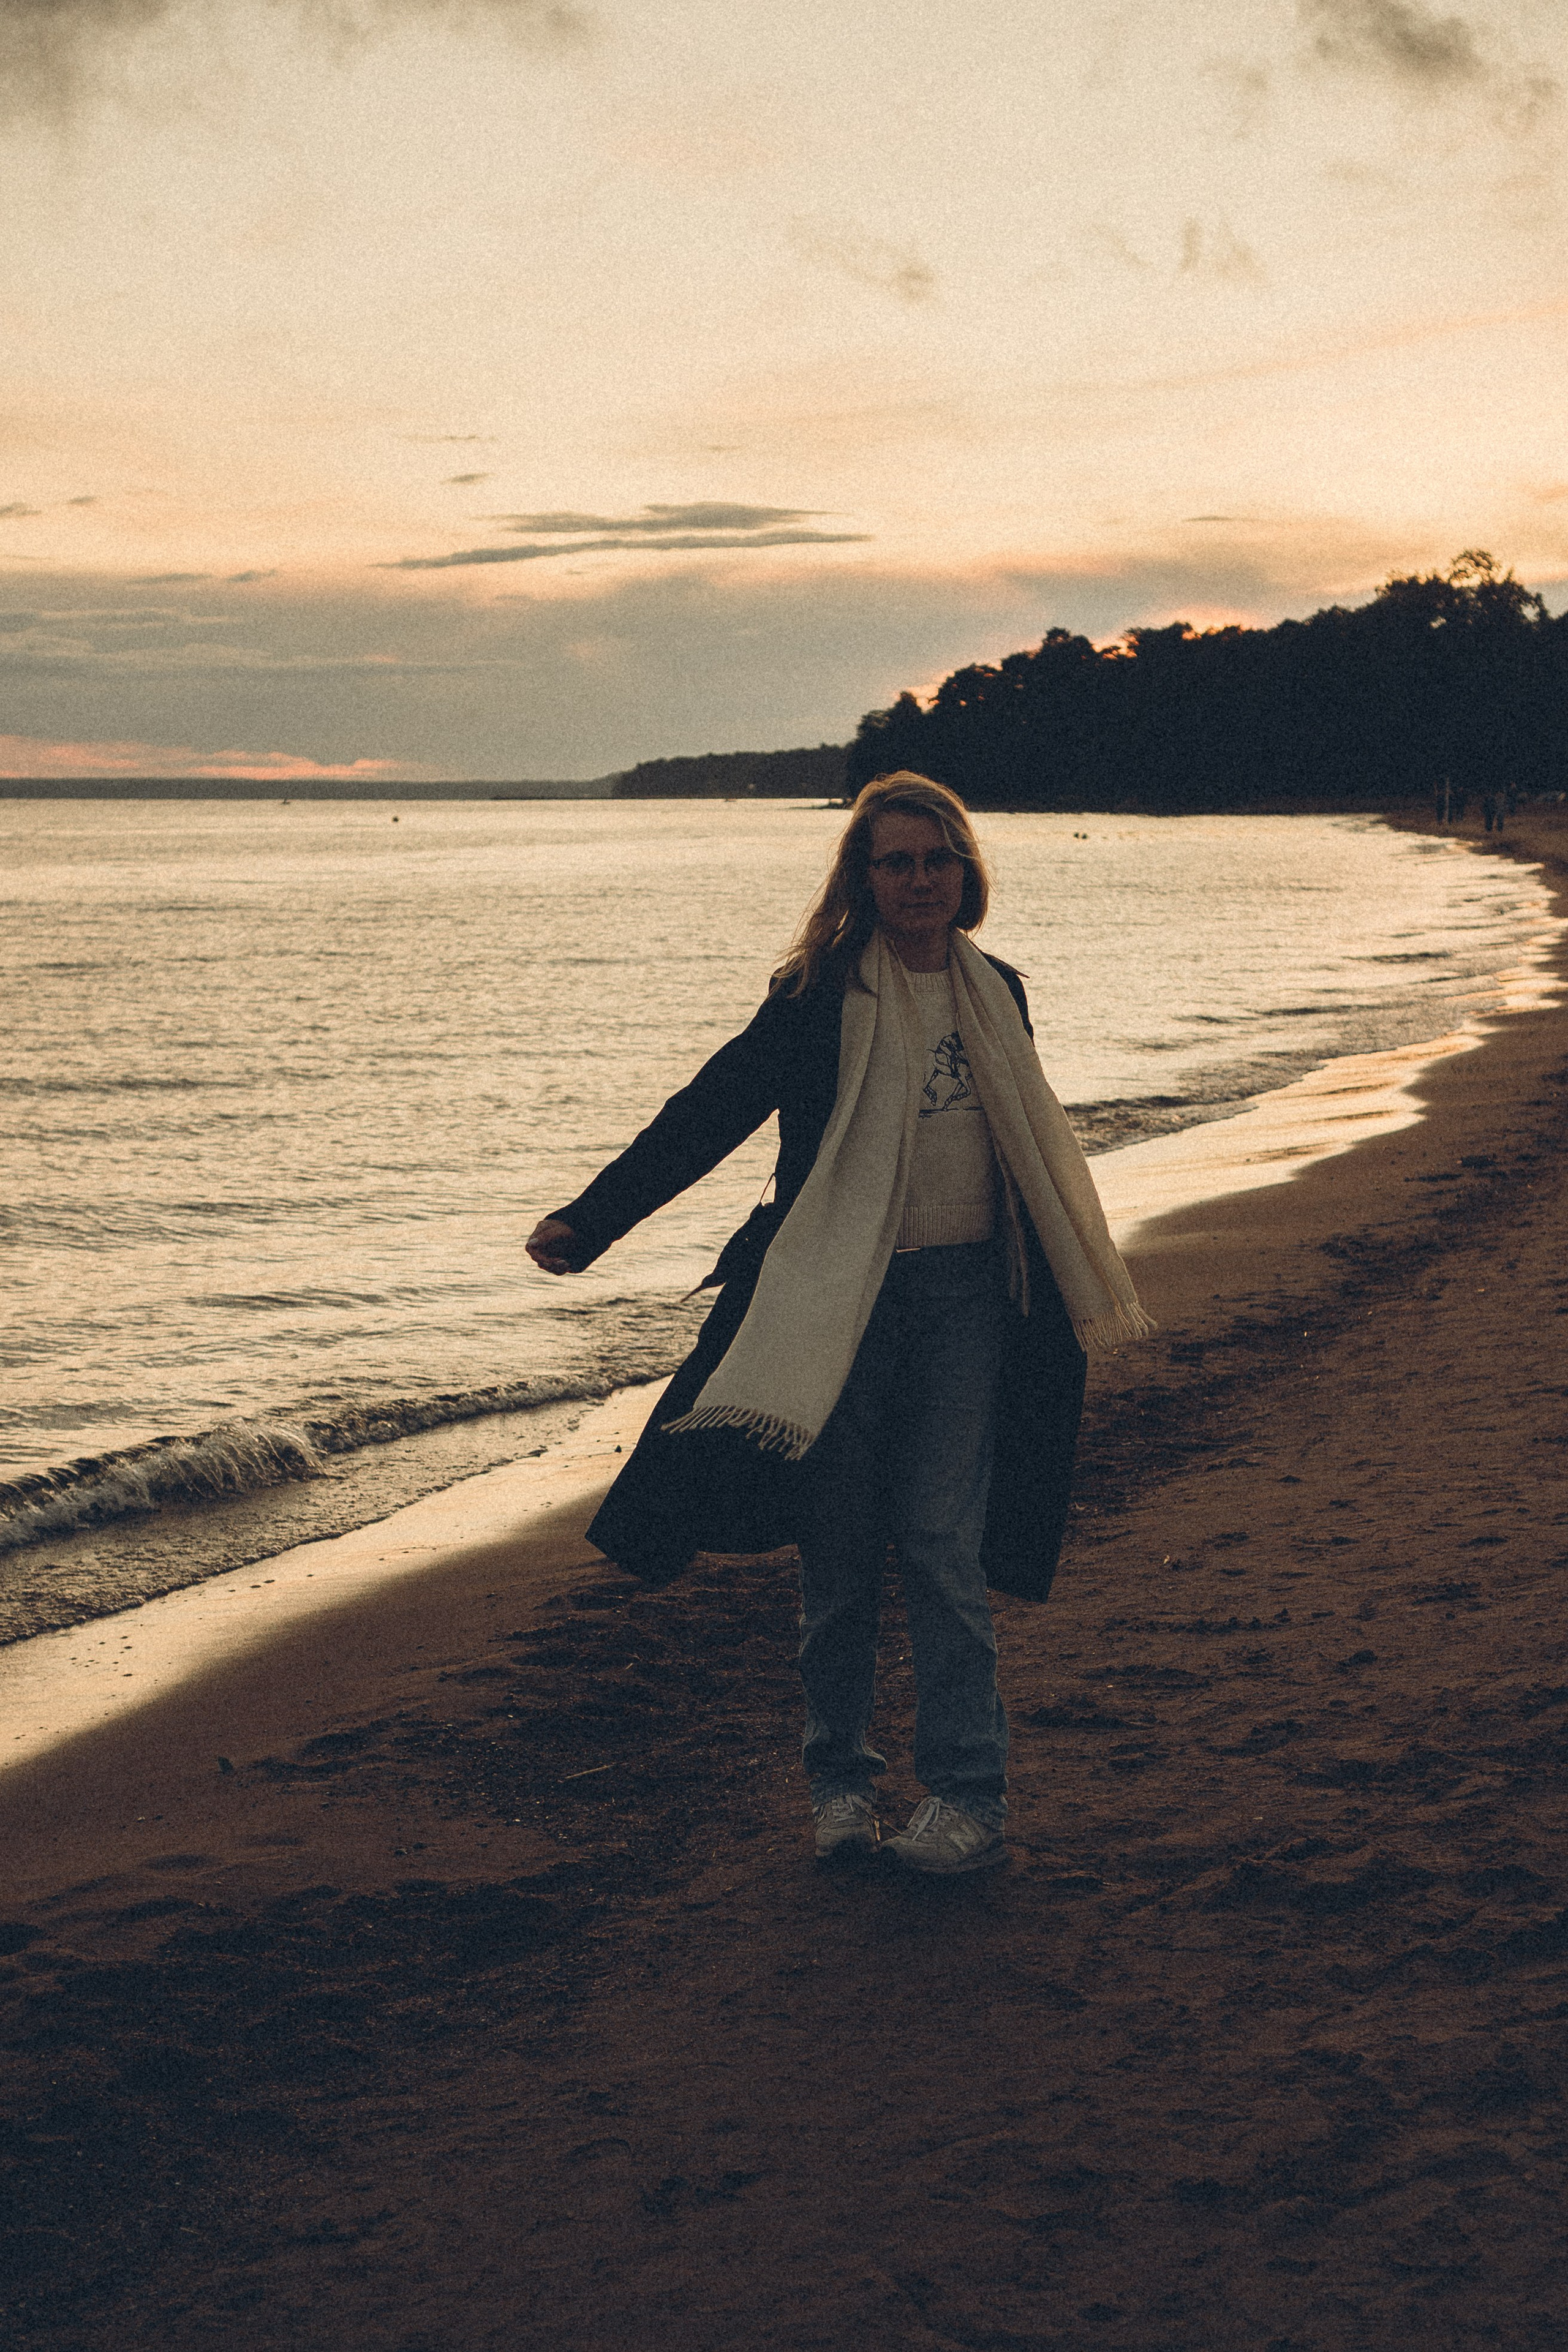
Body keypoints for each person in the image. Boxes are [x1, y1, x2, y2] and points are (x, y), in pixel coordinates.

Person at [526, 774, 1152, 1875]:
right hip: (836, 1304)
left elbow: (1023, 1150)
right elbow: (713, 1107)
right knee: (842, 1555)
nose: (920, 880)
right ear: (862, 879)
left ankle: (967, 1796)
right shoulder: (817, 994)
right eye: (896, 862)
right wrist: (593, 1218)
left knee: (943, 1546)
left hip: (969, 1303)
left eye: (938, 859)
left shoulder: (998, 990)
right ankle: (840, 1784)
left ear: (967, 874)